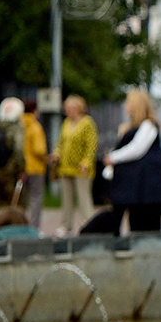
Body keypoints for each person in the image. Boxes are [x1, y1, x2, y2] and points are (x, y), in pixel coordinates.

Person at [89, 88, 161, 235]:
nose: (126, 106)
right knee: (137, 223)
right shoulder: (133, 127)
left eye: (128, 102)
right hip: (138, 192)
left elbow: (136, 149)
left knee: (146, 225)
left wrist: (113, 157)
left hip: (146, 191)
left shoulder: (148, 126)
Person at [53, 95, 97, 234]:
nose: (67, 111)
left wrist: (87, 162)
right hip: (65, 166)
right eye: (66, 108)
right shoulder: (66, 122)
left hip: (81, 168)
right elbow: (61, 142)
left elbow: (91, 145)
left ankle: (88, 224)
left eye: (70, 108)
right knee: (66, 199)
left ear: (78, 108)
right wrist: (56, 153)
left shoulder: (87, 123)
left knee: (83, 198)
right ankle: (65, 225)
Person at [18, 100, 47, 220]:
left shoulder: (19, 124)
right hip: (35, 167)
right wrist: (46, 158)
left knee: (21, 200)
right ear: (34, 110)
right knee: (36, 198)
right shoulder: (35, 127)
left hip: (21, 167)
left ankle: (19, 223)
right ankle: (34, 226)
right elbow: (39, 149)